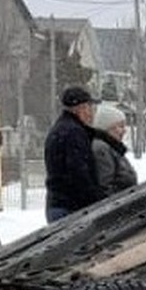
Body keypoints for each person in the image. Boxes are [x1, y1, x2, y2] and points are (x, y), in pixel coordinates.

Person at [43, 85, 102, 222]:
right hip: (70, 209)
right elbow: (79, 173)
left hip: (57, 204)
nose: (91, 113)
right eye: (89, 108)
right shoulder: (74, 133)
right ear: (79, 109)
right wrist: (97, 200)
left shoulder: (59, 129)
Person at [91, 102, 138, 197]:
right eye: (120, 126)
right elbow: (105, 188)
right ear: (107, 127)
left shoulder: (113, 148)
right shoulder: (101, 149)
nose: (124, 130)